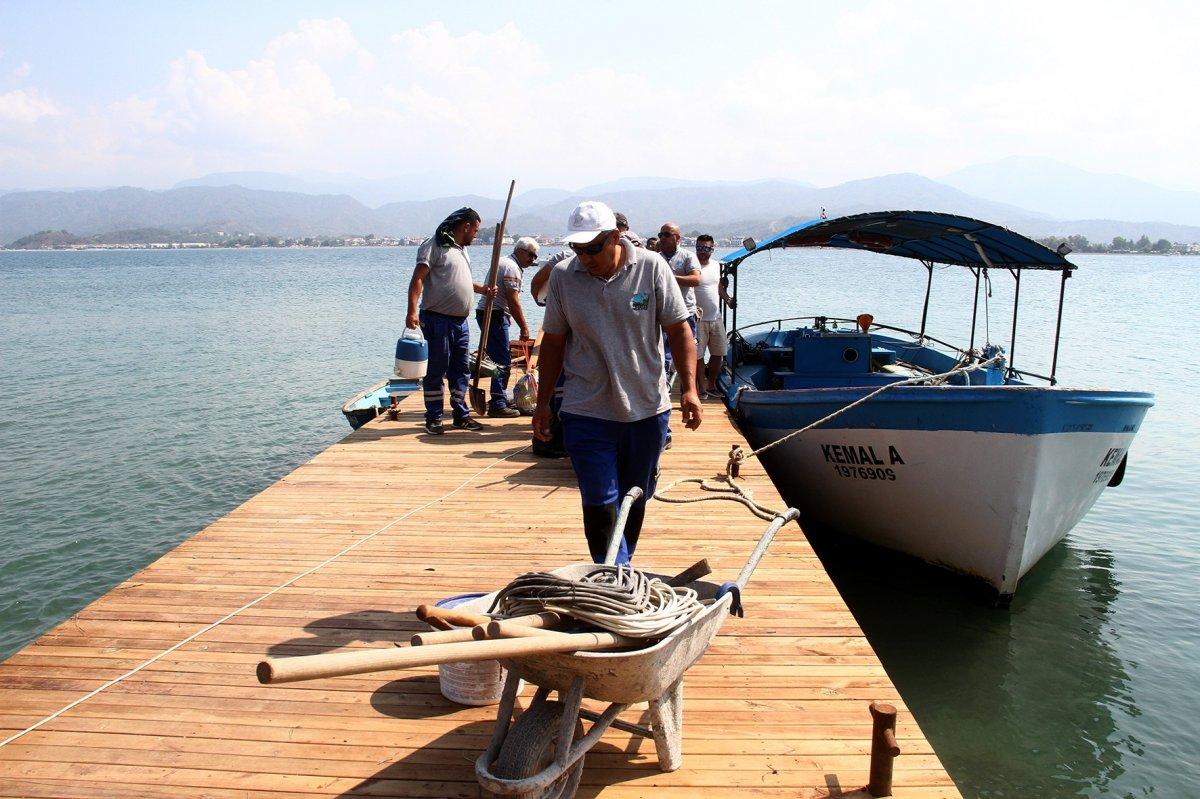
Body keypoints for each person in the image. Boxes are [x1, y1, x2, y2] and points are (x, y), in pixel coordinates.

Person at [534, 201, 702, 565]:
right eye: (578, 249)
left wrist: (690, 389)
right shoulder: (564, 276)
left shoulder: (652, 268)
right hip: (586, 408)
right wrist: (542, 402)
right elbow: (554, 343)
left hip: (646, 409)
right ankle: (616, 577)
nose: (586, 257)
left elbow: (679, 331)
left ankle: (618, 570)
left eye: (593, 248)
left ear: (615, 236)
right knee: (598, 499)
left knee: (634, 496)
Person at [405, 207, 496, 436]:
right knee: (436, 369)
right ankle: (434, 418)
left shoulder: (461, 250)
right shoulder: (435, 244)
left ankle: (461, 415)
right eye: (475, 230)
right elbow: (418, 279)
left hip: (460, 323)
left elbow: (459, 280)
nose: (475, 235)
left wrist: (483, 289)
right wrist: (412, 311)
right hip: (436, 320)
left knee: (460, 370)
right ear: (465, 227)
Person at [476, 236, 538, 417]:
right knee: (503, 360)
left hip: (492, 312)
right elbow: (512, 300)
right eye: (531, 255)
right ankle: (497, 403)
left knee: (497, 358)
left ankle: (498, 396)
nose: (532, 260)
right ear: (521, 251)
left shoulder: (505, 262)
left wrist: (507, 315)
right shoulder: (511, 267)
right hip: (494, 314)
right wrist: (524, 327)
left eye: (535, 257)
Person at [656, 222, 701, 378]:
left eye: (667, 235)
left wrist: (670, 278)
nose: (662, 238)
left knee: (686, 352)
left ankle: (688, 388)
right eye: (660, 235)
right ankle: (666, 383)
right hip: (661, 315)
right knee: (662, 352)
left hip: (685, 312)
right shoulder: (656, 259)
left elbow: (696, 279)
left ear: (677, 238)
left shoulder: (688, 256)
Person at [693, 234, 735, 396]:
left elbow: (719, 289)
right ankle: (701, 388)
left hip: (716, 317)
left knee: (719, 352)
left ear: (712, 249)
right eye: (699, 248)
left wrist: (728, 300)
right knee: (698, 356)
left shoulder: (717, 266)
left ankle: (711, 384)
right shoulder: (692, 265)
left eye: (705, 248)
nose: (701, 251)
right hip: (697, 319)